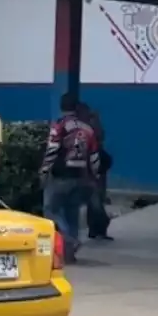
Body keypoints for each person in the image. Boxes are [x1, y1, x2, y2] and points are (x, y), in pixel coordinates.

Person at [41, 93, 100, 262]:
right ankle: (69, 254)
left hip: (60, 177)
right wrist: (94, 176)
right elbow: (94, 157)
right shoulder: (88, 129)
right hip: (80, 178)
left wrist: (44, 171)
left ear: (61, 106)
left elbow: (52, 151)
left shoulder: (59, 125)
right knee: (72, 212)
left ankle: (69, 239)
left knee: (50, 209)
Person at [77, 101, 114, 241]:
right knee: (95, 200)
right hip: (92, 168)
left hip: (94, 167)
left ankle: (96, 229)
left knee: (95, 199)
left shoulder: (87, 125)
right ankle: (99, 226)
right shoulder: (83, 128)